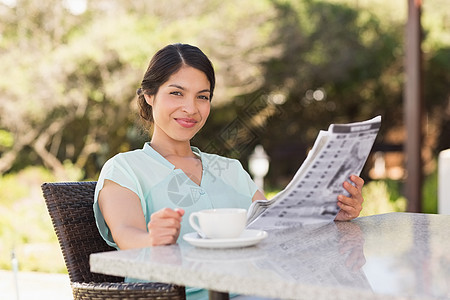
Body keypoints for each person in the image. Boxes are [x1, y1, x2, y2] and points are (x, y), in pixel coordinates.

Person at [93, 43, 365, 299]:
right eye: (177, 93)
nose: (190, 108)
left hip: (252, 290)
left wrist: (329, 213)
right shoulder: (125, 168)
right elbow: (126, 235)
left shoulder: (229, 169)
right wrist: (152, 239)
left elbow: (279, 226)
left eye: (203, 97)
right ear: (150, 96)